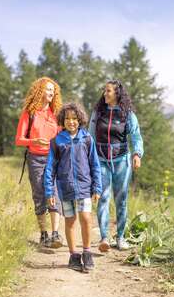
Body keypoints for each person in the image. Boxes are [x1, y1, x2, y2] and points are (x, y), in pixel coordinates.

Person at [44, 103, 102, 272]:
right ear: (62, 120)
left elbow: (95, 165)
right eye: (67, 119)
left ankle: (87, 252)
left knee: (85, 218)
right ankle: (73, 255)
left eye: (74, 119)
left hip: (85, 186)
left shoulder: (86, 139)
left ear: (80, 120)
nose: (71, 122)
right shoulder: (57, 141)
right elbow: (50, 168)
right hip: (65, 187)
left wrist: (97, 187)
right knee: (70, 221)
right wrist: (49, 191)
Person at [89, 80, 144, 252]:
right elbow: (90, 136)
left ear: (117, 93)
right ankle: (104, 238)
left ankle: (120, 238)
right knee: (103, 197)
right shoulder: (97, 113)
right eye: (104, 91)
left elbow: (135, 136)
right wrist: (87, 158)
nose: (105, 94)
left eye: (108, 91)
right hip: (101, 160)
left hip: (122, 161)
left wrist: (137, 154)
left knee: (121, 200)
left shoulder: (127, 114)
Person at [15, 77, 63, 248]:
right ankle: (43, 234)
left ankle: (56, 234)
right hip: (35, 159)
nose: (51, 93)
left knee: (55, 194)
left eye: (53, 90)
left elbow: (62, 137)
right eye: (47, 89)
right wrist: (35, 142)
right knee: (40, 195)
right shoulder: (30, 112)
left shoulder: (56, 114)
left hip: (54, 159)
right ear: (39, 91)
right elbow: (19, 140)